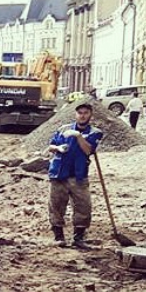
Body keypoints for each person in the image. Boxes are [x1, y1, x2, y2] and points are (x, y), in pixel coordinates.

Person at [47, 103, 103, 249]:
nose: (82, 115)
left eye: (85, 113)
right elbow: (51, 146)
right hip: (59, 173)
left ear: (90, 115)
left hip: (79, 175)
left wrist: (78, 136)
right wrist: (58, 148)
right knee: (56, 206)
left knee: (83, 207)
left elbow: (88, 150)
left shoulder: (95, 132)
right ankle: (59, 237)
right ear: (75, 114)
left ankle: (78, 238)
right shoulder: (63, 129)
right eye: (80, 113)